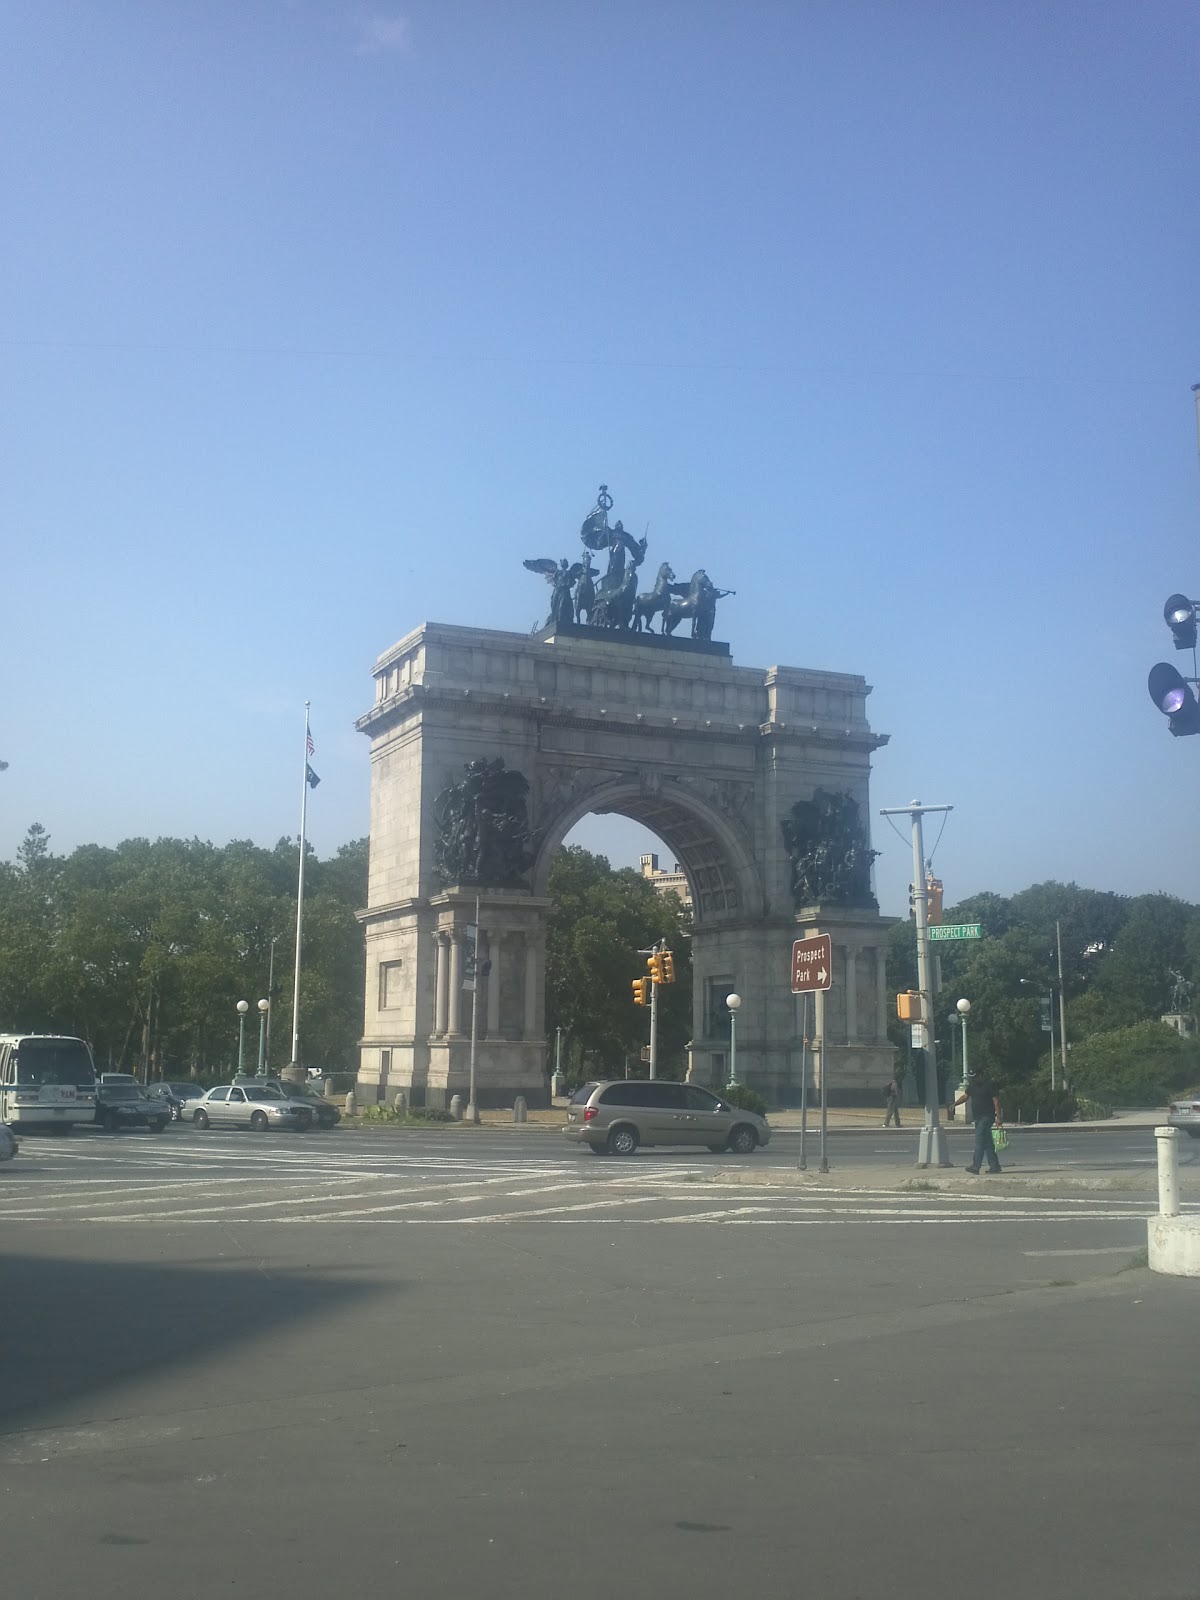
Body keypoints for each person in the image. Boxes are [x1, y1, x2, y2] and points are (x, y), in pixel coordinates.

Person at [955, 1066, 1003, 1174]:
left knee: (979, 1141)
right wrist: (955, 1104)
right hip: (977, 1117)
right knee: (987, 1143)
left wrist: (998, 1116)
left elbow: (995, 1100)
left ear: (981, 1075)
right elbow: (965, 1096)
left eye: (975, 1077)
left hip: (987, 1116)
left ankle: (976, 1166)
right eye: (971, 1077)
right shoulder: (972, 1085)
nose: (973, 1079)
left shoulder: (989, 1084)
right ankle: (995, 1166)